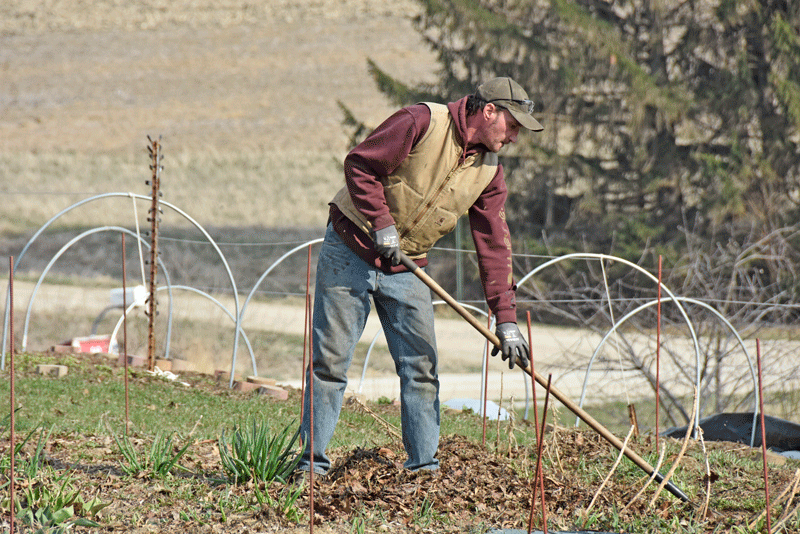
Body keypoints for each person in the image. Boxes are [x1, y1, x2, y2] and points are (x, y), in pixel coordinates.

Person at [297, 76, 543, 476]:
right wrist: (380, 223)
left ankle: (423, 471)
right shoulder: (422, 121)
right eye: (512, 126)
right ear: (489, 111)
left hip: (408, 265)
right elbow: (359, 164)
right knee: (330, 361)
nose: (514, 138)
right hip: (351, 246)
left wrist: (507, 320)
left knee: (421, 369)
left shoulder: (489, 173)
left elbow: (494, 245)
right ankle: (311, 467)